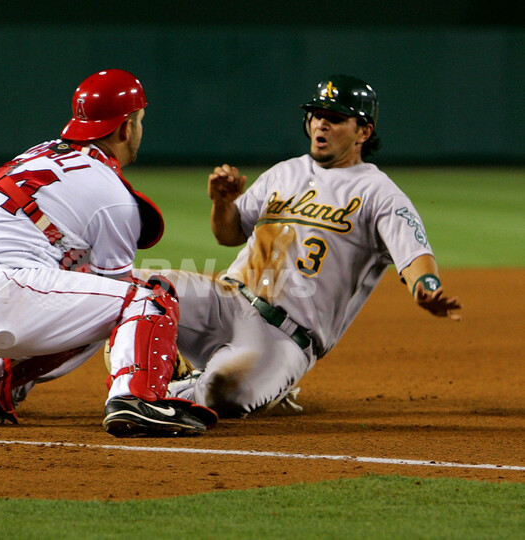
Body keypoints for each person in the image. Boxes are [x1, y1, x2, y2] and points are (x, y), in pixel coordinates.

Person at [0, 69, 217, 437]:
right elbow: (122, 298)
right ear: (126, 128)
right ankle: (137, 399)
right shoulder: (112, 194)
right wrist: (160, 356)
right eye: (139, 121)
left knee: (86, 294)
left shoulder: (38, 153)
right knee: (148, 300)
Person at [160, 74, 462, 417]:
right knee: (141, 291)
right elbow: (228, 235)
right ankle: (157, 389)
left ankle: (200, 385)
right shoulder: (284, 173)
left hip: (282, 337)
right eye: (317, 115)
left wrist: (427, 286)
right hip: (225, 301)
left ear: (363, 132)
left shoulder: (380, 193)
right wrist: (222, 203)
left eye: (335, 118)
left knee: (223, 394)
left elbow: (414, 254)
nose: (322, 124)